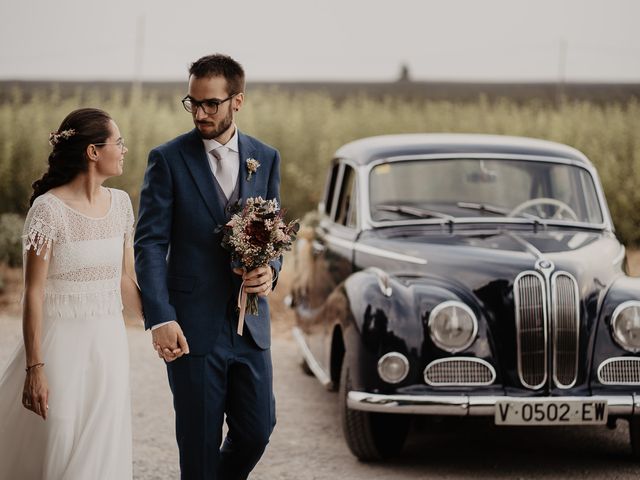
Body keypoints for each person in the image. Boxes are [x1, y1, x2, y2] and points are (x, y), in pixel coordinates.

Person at [134, 53, 281, 480]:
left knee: (257, 432)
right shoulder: (167, 159)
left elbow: (273, 233)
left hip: (251, 329)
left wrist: (271, 270)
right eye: (192, 103)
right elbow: (150, 243)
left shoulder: (265, 157)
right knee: (198, 447)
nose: (199, 113)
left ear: (238, 101)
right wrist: (159, 317)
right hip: (191, 328)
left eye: (210, 104)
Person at [0, 108, 141, 479]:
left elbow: (124, 281)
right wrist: (35, 368)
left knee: (101, 449)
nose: (125, 150)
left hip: (108, 347)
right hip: (59, 348)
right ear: (93, 151)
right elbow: (32, 293)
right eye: (119, 142)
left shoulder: (122, 205)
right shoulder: (48, 210)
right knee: (58, 439)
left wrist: (165, 318)